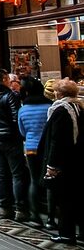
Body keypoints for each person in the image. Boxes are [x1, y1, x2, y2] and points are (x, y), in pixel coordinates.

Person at [40, 78, 84, 244]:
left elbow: (56, 140)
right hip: (77, 160)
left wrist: (52, 165)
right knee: (78, 198)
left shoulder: (60, 110)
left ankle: (66, 233)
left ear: (59, 93)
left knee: (65, 200)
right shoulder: (79, 107)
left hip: (64, 162)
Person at [0, 68, 30, 221]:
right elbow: (16, 117)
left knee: (1, 173)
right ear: (4, 79)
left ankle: (4, 207)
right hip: (10, 138)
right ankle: (20, 209)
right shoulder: (9, 96)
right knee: (17, 174)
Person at [18, 77, 52, 228]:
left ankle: (35, 216)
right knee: (50, 181)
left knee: (34, 180)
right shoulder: (49, 107)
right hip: (47, 148)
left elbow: (22, 131)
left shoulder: (23, 109)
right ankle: (51, 218)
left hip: (31, 148)